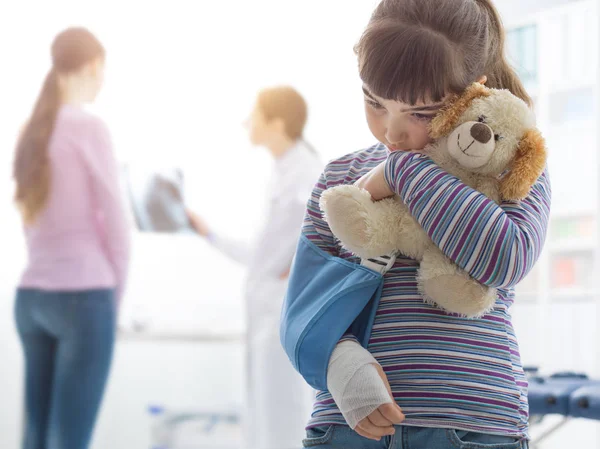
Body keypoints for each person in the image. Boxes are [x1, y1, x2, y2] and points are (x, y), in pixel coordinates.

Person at [284, 1, 551, 448]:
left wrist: (404, 172)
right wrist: (344, 370)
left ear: (475, 92)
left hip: (473, 427)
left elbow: (506, 258)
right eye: (374, 101)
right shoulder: (340, 179)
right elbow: (302, 310)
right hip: (349, 427)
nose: (392, 134)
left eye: (422, 113)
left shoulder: (514, 166)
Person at [13, 27, 130, 449]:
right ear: (94, 65)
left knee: (36, 436)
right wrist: (111, 304)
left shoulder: (32, 128)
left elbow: (30, 221)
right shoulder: (88, 126)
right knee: (69, 441)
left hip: (31, 298)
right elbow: (116, 224)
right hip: (83, 296)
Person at [187, 86, 323, 449]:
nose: (248, 122)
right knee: (266, 415)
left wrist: (298, 262)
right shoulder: (283, 171)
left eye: (256, 115)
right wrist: (208, 233)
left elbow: (320, 241)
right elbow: (262, 256)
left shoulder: (304, 172)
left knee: (283, 417)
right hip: (266, 311)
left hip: (282, 315)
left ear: (276, 123)